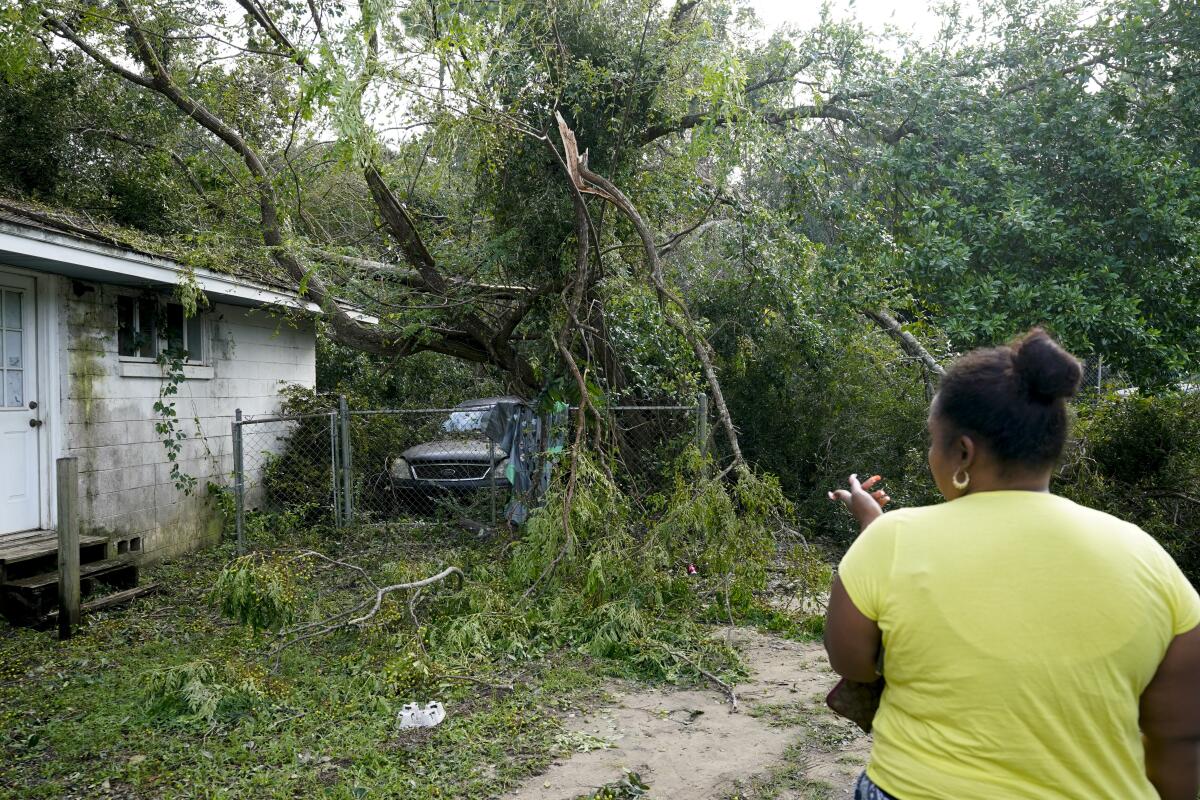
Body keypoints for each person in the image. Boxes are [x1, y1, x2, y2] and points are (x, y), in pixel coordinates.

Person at [825, 328, 1200, 799]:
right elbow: (1180, 735)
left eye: (933, 441)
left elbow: (852, 663)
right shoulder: (1147, 555)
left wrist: (873, 529)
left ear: (963, 452)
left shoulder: (892, 538)